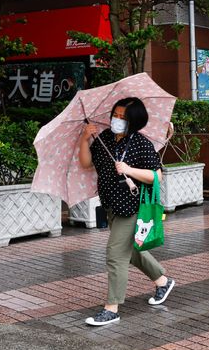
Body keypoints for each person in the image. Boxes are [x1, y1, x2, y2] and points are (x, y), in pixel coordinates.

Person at [78, 97, 175, 326]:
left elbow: (156, 176)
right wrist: (84, 139)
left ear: (134, 121)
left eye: (123, 117)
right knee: (130, 251)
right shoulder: (104, 139)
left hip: (133, 207)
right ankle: (163, 281)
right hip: (111, 205)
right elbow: (86, 163)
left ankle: (112, 308)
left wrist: (129, 170)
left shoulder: (140, 143)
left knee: (115, 254)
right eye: (116, 115)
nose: (117, 120)